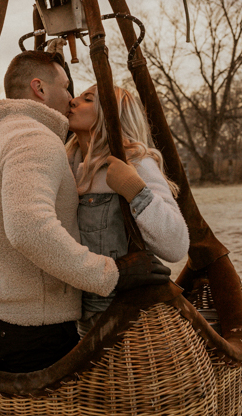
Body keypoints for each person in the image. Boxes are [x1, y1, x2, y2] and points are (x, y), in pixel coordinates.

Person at [0, 51, 170, 373]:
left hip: (6, 317)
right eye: (65, 86)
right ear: (40, 89)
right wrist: (111, 274)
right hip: (36, 322)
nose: (71, 98)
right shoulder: (35, 139)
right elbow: (29, 229)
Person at [67, 84, 189, 336]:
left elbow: (176, 245)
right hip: (81, 320)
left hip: (128, 321)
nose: (73, 101)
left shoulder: (135, 162)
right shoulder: (67, 165)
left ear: (112, 115)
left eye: (87, 99)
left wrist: (135, 191)